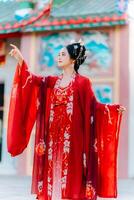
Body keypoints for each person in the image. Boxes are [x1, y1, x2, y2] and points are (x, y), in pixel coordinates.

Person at [7, 40, 125, 200]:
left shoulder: (83, 83)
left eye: (63, 54)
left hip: (74, 140)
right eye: (58, 54)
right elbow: (32, 80)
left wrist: (111, 109)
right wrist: (21, 59)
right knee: (52, 170)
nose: (59, 57)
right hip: (53, 137)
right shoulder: (52, 81)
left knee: (72, 174)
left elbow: (93, 106)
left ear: (73, 59)